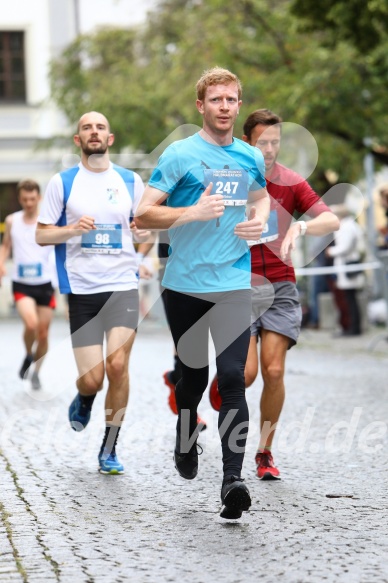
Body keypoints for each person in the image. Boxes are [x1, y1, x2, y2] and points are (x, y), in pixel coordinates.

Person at [135, 67, 270, 519]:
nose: (226, 107)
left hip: (233, 283)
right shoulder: (179, 154)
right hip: (185, 287)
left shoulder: (251, 156)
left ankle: (233, 480)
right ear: (201, 106)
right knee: (191, 378)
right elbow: (142, 216)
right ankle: (186, 429)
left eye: (232, 100)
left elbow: (261, 197)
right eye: (217, 100)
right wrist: (191, 212)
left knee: (232, 377)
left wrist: (259, 219)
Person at [208, 109, 340, 480]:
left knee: (274, 369)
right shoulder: (231, 177)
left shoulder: (290, 181)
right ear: (248, 141)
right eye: (262, 142)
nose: (269, 148)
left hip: (281, 286)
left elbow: (331, 219)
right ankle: (224, 382)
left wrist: (302, 226)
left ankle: (264, 452)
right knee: (245, 375)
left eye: (275, 142)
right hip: (239, 285)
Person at [36, 111, 152, 475]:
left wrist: (142, 241)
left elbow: (144, 230)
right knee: (93, 378)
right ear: (78, 139)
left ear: (110, 138)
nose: (94, 132)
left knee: (118, 367)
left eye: (101, 126)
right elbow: (41, 234)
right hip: (82, 290)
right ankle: (85, 396)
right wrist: (70, 229)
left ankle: (110, 448)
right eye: (87, 127)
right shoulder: (63, 183)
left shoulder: (131, 181)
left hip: (122, 286)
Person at [0, 179, 56, 390]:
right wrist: (1, 264)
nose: (29, 203)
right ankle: (27, 354)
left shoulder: (48, 222)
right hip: (22, 283)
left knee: (43, 334)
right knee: (31, 325)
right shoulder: (12, 220)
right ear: (20, 198)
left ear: (39, 198)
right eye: (25, 199)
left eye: (32, 199)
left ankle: (36, 371)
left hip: (45, 283)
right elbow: (5, 246)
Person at [326, 204, 365, 336]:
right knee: (350, 298)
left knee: (350, 298)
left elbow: (344, 247)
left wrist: (331, 251)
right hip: (346, 265)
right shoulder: (348, 226)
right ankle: (353, 327)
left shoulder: (347, 227)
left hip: (348, 265)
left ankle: (353, 328)